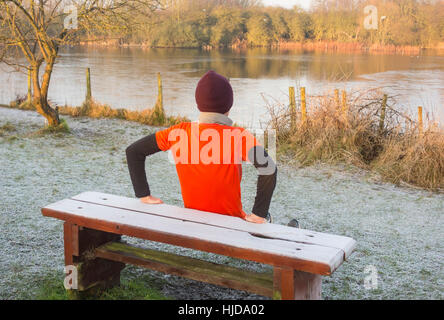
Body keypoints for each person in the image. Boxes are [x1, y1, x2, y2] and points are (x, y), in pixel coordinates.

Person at [126, 70, 277, 224]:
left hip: (193, 222)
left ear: (199, 104)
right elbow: (269, 169)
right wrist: (258, 214)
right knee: (266, 219)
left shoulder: (179, 132)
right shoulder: (239, 136)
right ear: (229, 105)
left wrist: (144, 195)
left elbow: (134, 152)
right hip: (230, 224)